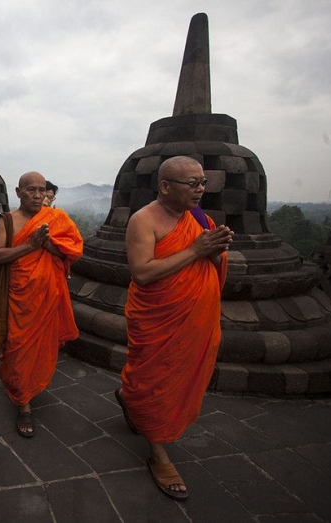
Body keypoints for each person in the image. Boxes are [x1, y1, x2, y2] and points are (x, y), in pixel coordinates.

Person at [117, 156, 232, 500]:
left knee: (175, 378)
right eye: (192, 183)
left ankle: (129, 398)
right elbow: (143, 272)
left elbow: (210, 261)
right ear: (165, 186)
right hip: (158, 320)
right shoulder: (144, 220)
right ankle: (159, 453)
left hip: (194, 319)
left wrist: (216, 250)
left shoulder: (199, 218)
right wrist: (198, 249)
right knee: (155, 380)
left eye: (203, 183)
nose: (200, 190)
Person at [0, 171, 83, 438]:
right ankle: (24, 405)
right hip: (19, 299)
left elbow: (74, 251)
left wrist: (48, 244)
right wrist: (31, 246)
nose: (38, 195)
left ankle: (26, 387)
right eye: (31, 190)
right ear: (18, 192)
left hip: (49, 298)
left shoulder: (56, 219)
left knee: (41, 352)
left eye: (42, 190)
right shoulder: (7, 221)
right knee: (18, 349)